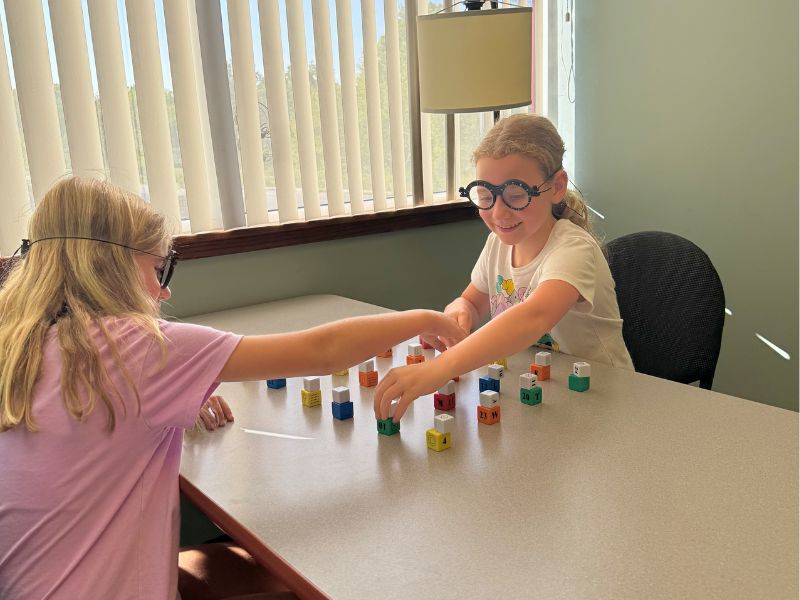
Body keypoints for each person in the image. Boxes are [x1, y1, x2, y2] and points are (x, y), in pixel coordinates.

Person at [0, 177, 466, 600]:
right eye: (158, 270)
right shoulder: (136, 350)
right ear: (112, 266)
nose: (162, 293)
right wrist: (425, 318)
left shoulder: (15, 341)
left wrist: (178, 398)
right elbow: (324, 351)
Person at [374, 114, 633, 422]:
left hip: (603, 400)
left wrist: (440, 368)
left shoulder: (573, 249)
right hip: (542, 397)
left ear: (557, 186)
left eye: (515, 196)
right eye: (485, 196)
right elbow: (471, 300)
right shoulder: (498, 244)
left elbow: (533, 318)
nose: (498, 212)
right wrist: (460, 313)